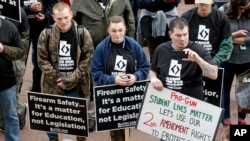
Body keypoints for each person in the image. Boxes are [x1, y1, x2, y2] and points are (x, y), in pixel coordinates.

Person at [71, 0, 135, 132]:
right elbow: (73, 20)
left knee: (115, 77)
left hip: (115, 45)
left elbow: (130, 20)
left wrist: (129, 42)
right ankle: (91, 115)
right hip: (90, 47)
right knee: (88, 80)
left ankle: (113, 112)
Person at [37, 2, 94, 141]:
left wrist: (69, 80)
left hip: (78, 85)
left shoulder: (82, 33)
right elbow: (42, 60)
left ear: (71, 14)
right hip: (53, 85)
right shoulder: (46, 34)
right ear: (53, 17)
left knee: (79, 122)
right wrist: (58, 78)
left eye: (66, 17)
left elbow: (87, 59)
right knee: (54, 124)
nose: (63, 21)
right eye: (59, 18)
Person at [91, 16, 150, 141]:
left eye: (120, 30)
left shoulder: (133, 45)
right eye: (114, 30)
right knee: (115, 133)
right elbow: (95, 72)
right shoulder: (101, 48)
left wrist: (136, 76)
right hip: (110, 97)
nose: (117, 34)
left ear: (125, 29)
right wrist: (113, 80)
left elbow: (144, 67)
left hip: (130, 95)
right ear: (108, 30)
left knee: (127, 130)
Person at [149, 17, 218, 101]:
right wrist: (153, 78)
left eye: (185, 34)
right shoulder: (161, 49)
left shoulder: (198, 49)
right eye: (178, 35)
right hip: (167, 99)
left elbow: (214, 75)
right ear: (170, 34)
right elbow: (153, 69)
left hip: (191, 102)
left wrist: (198, 59)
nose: (182, 39)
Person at [218, 0, 250, 126]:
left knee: (246, 90)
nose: (243, 10)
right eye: (241, 8)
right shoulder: (222, 11)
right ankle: (225, 118)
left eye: (246, 8)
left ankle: (242, 118)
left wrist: (232, 39)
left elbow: (225, 38)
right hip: (227, 59)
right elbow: (218, 36)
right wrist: (234, 36)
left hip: (247, 60)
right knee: (224, 89)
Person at [0, 7, 29, 130]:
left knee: (11, 99)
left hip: (14, 65)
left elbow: (25, 42)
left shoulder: (19, 12)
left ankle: (21, 112)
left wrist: (4, 49)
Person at [181, 0, 233, 66]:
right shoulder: (186, 17)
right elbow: (180, 41)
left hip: (212, 59)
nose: (204, 7)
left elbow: (227, 44)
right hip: (190, 61)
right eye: (201, 4)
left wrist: (215, 61)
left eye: (207, 4)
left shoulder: (221, 18)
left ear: (212, 2)